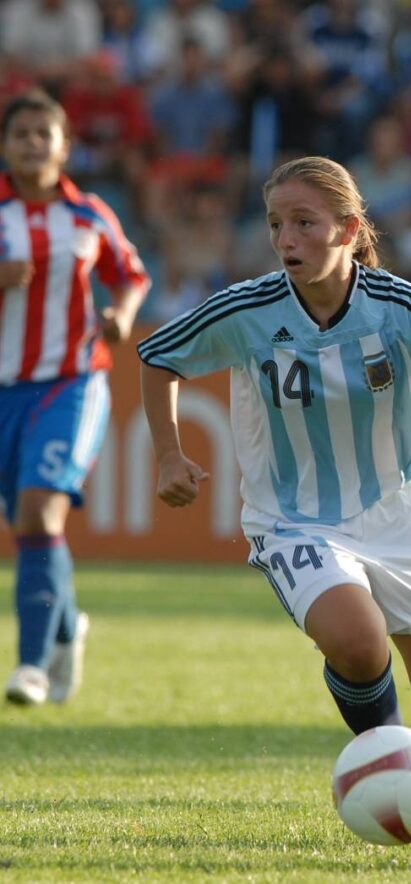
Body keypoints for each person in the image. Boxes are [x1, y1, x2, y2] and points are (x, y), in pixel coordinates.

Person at [137, 155, 411, 845]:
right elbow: (159, 355)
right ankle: (390, 769)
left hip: (400, 518)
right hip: (293, 518)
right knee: (356, 637)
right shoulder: (250, 308)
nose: (286, 240)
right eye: (277, 224)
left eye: (305, 223)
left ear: (348, 229)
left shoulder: (398, 306)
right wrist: (169, 453)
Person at [1, 89, 150, 706]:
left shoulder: (89, 214)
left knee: (39, 514)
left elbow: (131, 272)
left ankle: (30, 666)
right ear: (5, 146)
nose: (34, 143)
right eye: (22, 133)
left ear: (65, 146)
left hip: (72, 379)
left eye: (45, 134)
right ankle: (65, 627)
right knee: (30, 524)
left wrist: (120, 313)